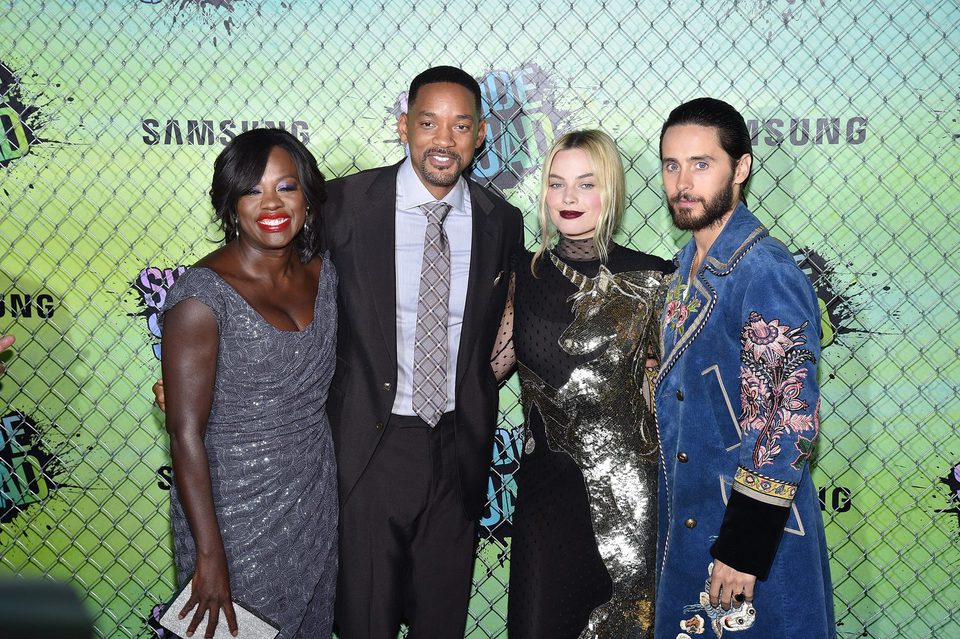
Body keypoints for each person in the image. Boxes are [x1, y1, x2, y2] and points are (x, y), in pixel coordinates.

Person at [322, 66, 523, 638]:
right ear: (403, 126)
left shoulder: (500, 221)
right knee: (365, 622)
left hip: (457, 451)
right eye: (428, 122)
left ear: (480, 134)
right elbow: (280, 290)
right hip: (369, 446)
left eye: (460, 125)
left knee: (442, 623)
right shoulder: (343, 205)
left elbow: (500, 326)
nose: (443, 140)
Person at [653, 98, 834, 639]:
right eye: (671, 165)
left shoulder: (764, 273)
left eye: (701, 164)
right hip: (692, 525)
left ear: (742, 168)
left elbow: (786, 421)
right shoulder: (688, 266)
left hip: (749, 548)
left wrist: (742, 547)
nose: (683, 182)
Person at [491, 130, 672, 638]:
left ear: (611, 190)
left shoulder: (655, 278)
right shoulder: (521, 276)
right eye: (556, 183)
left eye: (586, 184)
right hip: (546, 501)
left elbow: (675, 396)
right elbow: (487, 372)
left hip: (631, 499)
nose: (569, 199)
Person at [159, 128, 338, 639]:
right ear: (230, 203)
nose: (272, 204)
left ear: (307, 195)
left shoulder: (326, 276)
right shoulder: (201, 297)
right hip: (232, 516)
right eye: (252, 190)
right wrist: (209, 555)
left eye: (286, 186)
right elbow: (185, 433)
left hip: (313, 502)